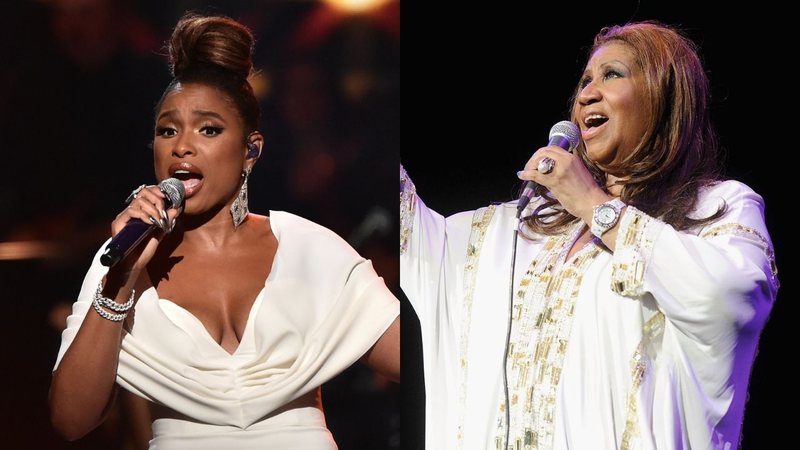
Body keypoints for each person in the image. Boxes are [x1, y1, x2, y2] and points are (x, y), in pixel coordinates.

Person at [400, 21, 777, 450]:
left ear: (663, 95)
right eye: (584, 81)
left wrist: (595, 207)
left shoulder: (714, 210)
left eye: (612, 75)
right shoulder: (517, 230)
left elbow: (727, 297)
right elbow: (408, 231)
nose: (586, 95)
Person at [49, 13, 400, 449]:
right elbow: (70, 419)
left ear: (250, 151)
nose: (182, 145)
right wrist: (120, 282)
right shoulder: (120, 258)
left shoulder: (309, 249)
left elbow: (429, 364)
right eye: (167, 130)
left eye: (209, 129)